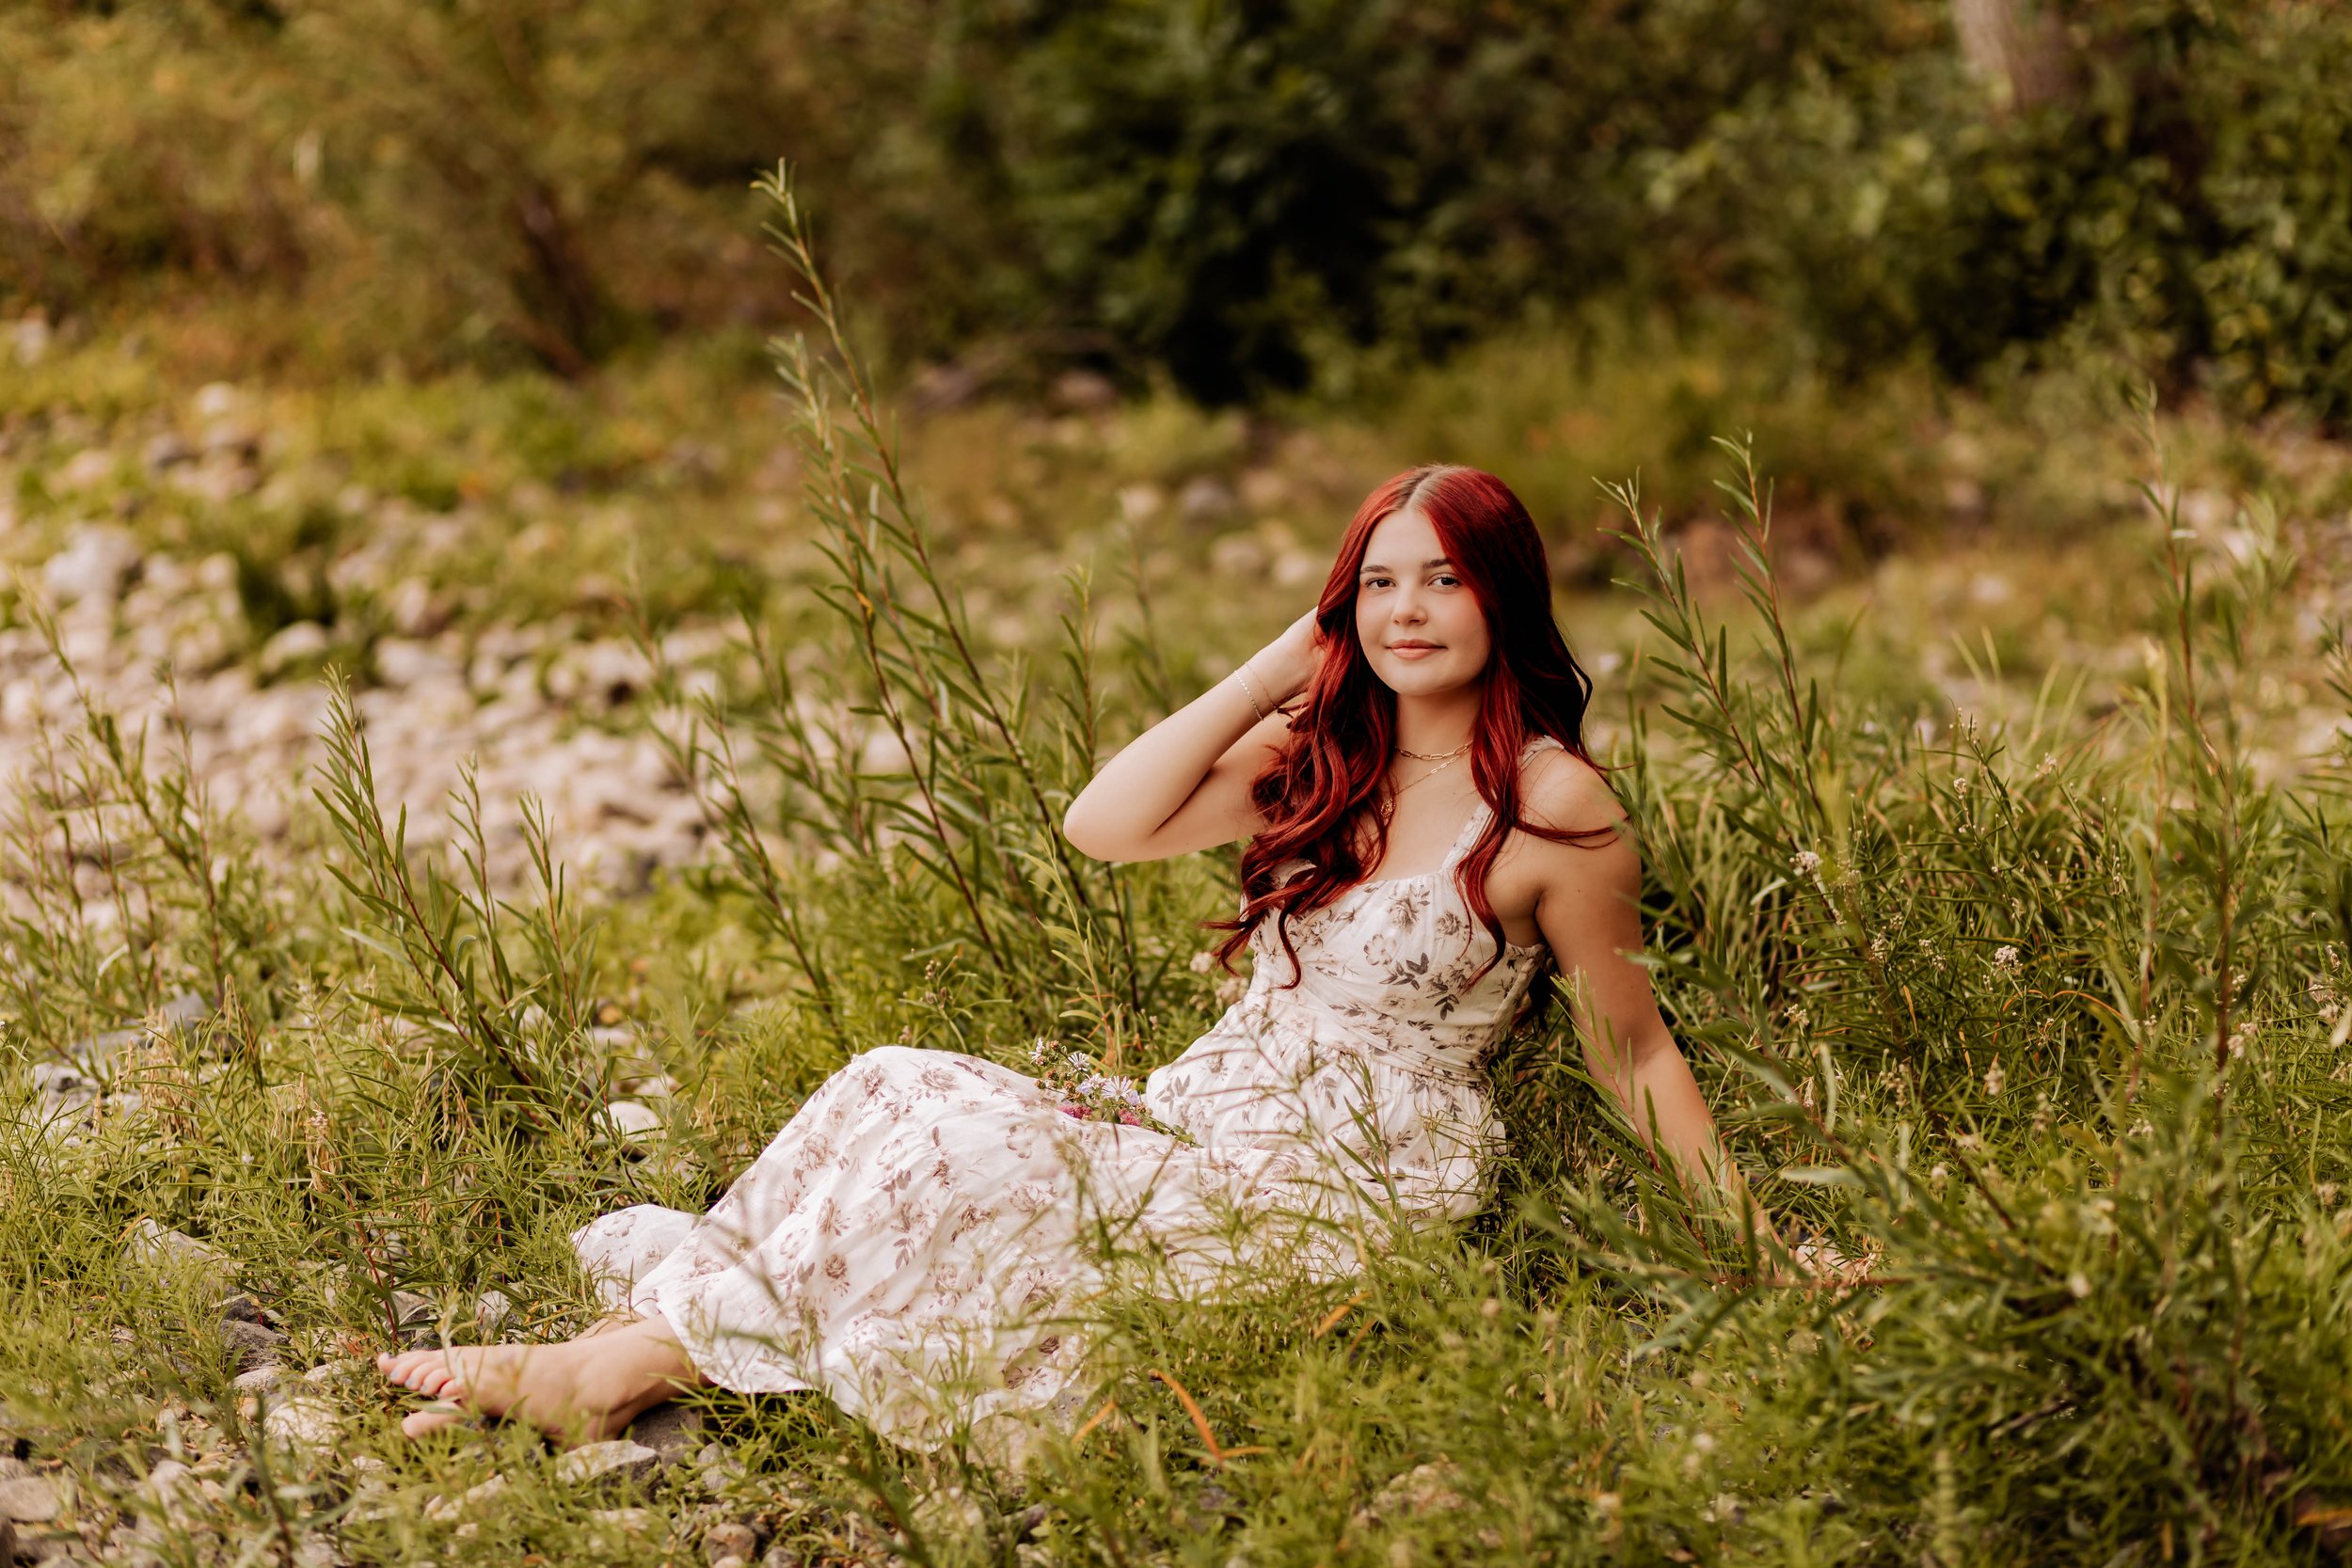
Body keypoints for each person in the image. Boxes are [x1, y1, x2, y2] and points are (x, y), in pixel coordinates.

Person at [376, 464, 1765, 1451]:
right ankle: (621, 1363)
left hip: (1348, 1175)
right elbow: (1104, 824)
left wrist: (1759, 1248)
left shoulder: (1553, 807)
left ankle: (607, 1373)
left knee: (976, 1165)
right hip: (1211, 1110)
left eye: (1444, 581)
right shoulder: (1324, 753)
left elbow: (1636, 1051)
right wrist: (1279, 665)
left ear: (1502, 595)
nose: (1408, 612)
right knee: (892, 1083)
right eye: (1379, 583)